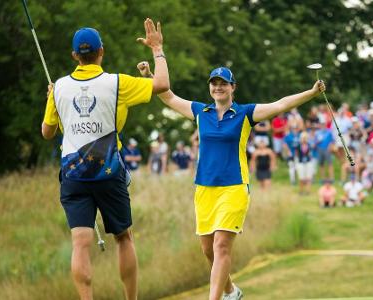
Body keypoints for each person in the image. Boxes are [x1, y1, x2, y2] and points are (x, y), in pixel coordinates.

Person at [137, 62, 325, 300]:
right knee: (208, 250)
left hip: (234, 187)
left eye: (223, 83)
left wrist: (311, 93)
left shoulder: (245, 113)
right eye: (214, 83)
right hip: (204, 188)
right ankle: (230, 291)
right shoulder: (200, 112)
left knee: (221, 246)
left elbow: (280, 104)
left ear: (232, 87)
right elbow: (168, 97)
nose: (218, 87)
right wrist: (150, 76)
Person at [41, 19, 169, 300]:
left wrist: (52, 98)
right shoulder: (117, 83)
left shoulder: (60, 87)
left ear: (75, 56)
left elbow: (47, 132)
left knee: (80, 243)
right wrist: (157, 49)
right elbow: (161, 84)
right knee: (123, 237)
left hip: (74, 176)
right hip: (109, 171)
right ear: (101, 52)